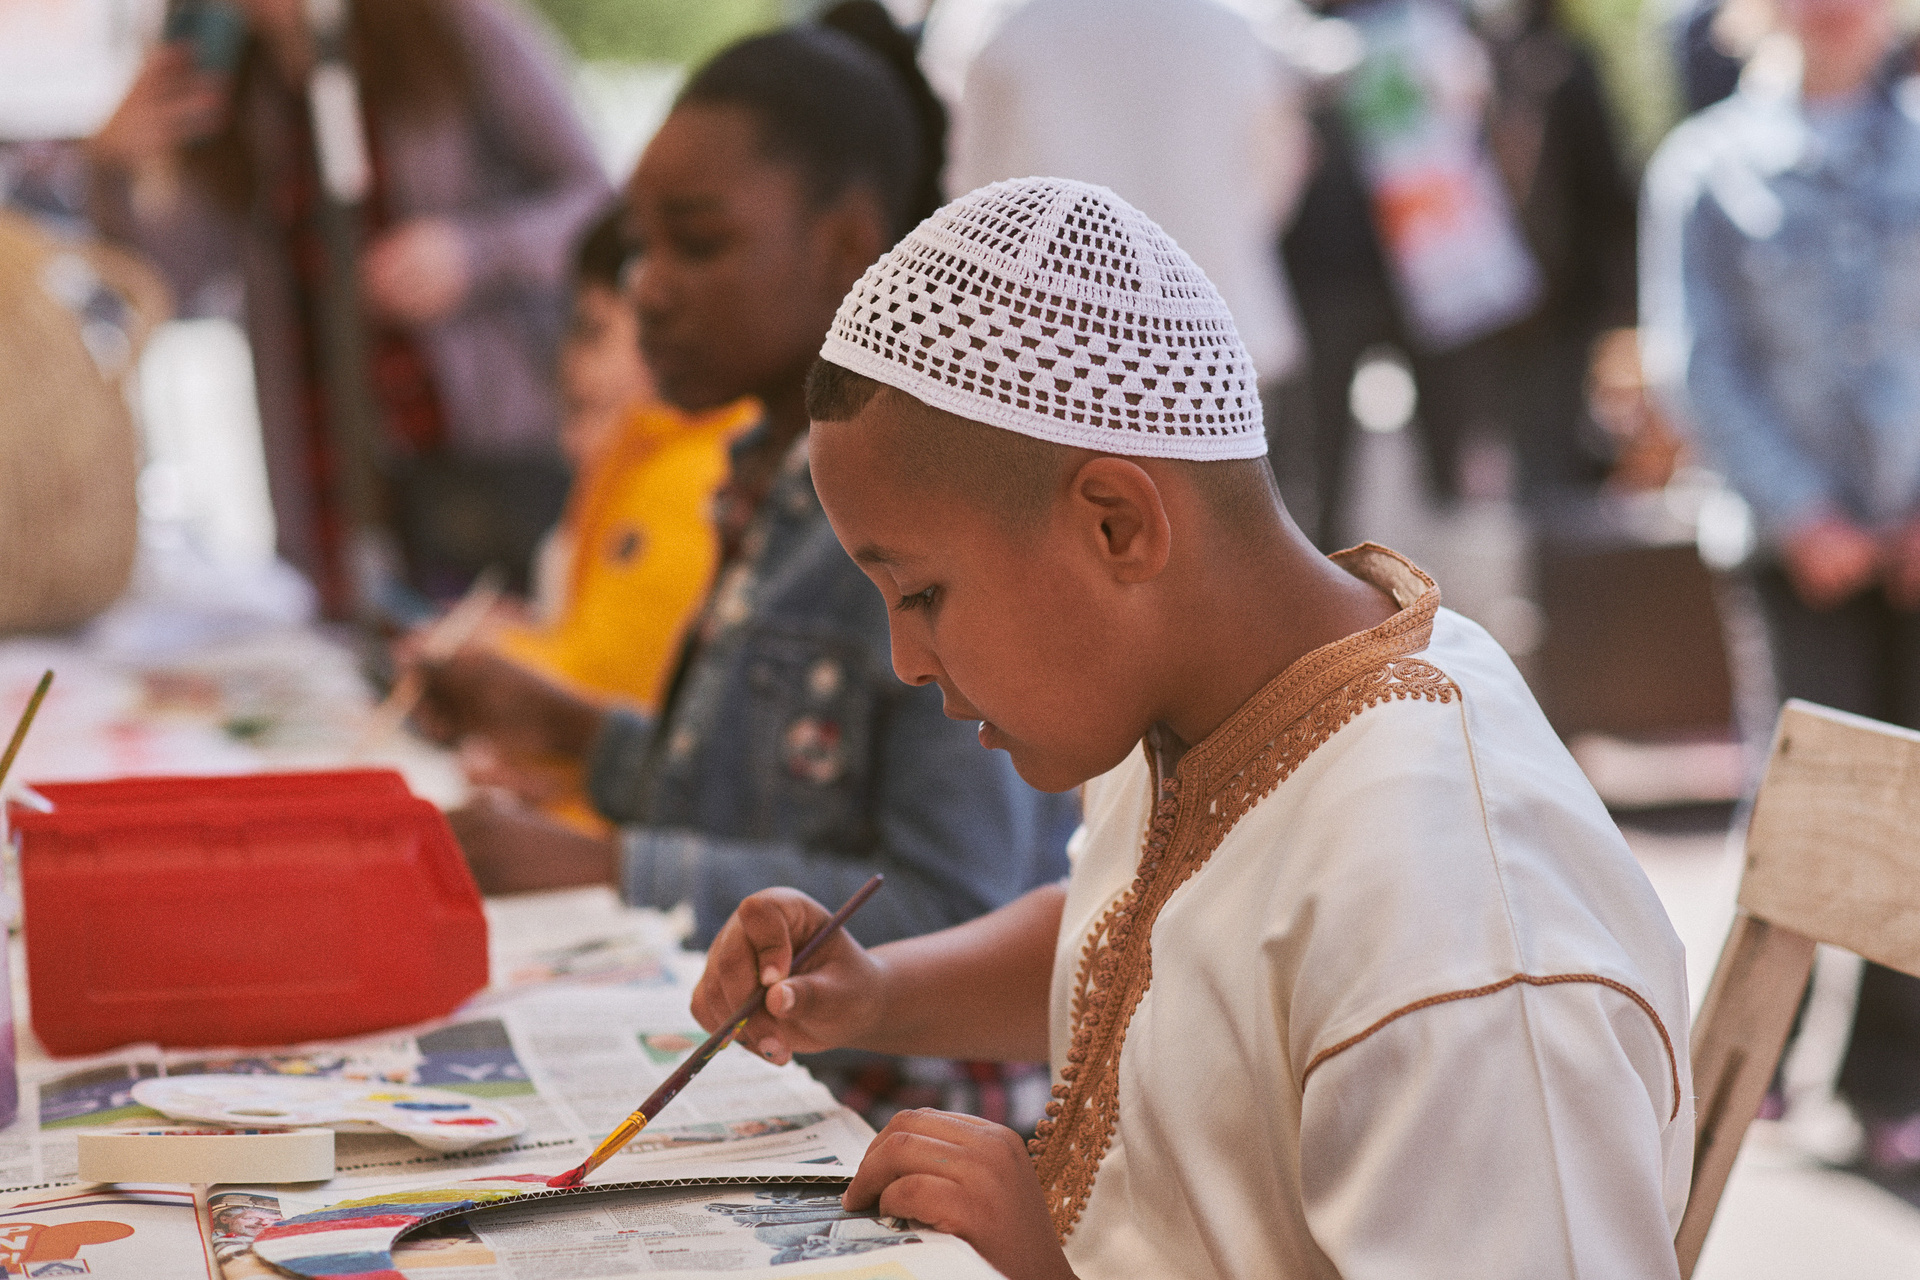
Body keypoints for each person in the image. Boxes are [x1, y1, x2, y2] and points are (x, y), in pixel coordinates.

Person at [692, 178, 1692, 1280]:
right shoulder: (1208, 700)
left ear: (1117, 525)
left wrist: (1043, 1270)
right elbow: (1148, 945)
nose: (906, 660)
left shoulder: (1461, 924)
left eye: (921, 593)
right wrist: (880, 991)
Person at [419, 21, 1078, 954]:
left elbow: (958, 913)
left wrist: (609, 871)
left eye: (698, 244)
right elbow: (759, 800)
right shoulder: (765, 477)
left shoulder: (932, 513)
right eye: (641, 247)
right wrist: (565, 728)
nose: (648, 290)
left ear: (845, 247)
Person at [1642, 0, 1920, 1171]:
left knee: (1912, 805)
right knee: (1800, 791)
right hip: (1788, 540)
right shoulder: (1706, 166)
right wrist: (1803, 510)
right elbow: (1696, 360)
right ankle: (1758, 1046)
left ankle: (1891, 1073)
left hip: (1910, 531)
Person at [86, 0, 608, 611]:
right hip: (327, 478)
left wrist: (472, 254)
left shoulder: (452, 25)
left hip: (485, 461)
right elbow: (167, 282)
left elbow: (596, 202)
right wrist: (114, 169)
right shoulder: (236, 74)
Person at [925, 0, 1317, 526]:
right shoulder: (1232, 25)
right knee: (1225, 543)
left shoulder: (993, 26)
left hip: (1061, 352)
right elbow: (1277, 171)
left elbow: (969, 195)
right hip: (1219, 334)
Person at [488, 206, 754, 716]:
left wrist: (488, 659)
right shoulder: (645, 455)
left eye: (593, 332)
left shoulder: (692, 477)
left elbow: (609, 689)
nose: (572, 367)